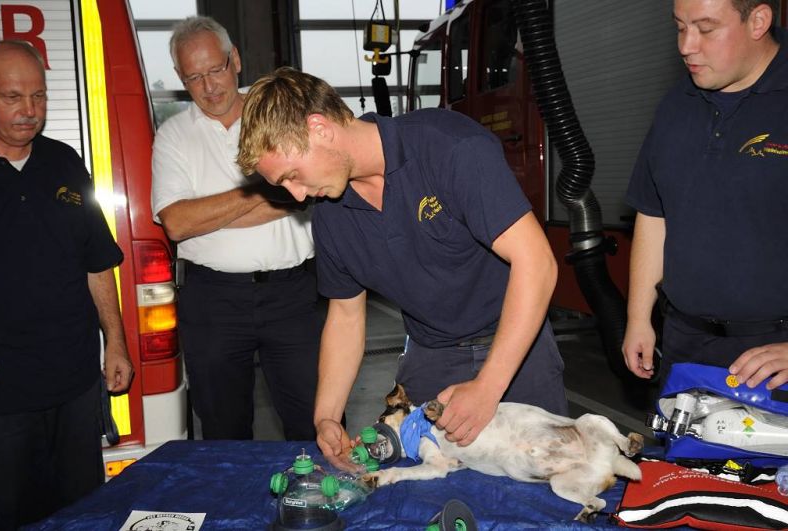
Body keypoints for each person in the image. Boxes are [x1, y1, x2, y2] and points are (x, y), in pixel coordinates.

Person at [237, 67, 568, 470]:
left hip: (516, 344)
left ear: (320, 128)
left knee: (544, 483)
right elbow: (344, 315)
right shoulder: (331, 214)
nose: (296, 195)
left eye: (292, 175)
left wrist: (488, 386)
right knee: (422, 489)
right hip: (431, 353)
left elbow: (537, 262)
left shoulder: (449, 148)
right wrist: (325, 415)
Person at [151, 17, 320, 441]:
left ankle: (319, 506)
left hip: (293, 297)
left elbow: (305, 193)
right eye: (194, 77)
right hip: (213, 303)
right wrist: (262, 192)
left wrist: (211, 211)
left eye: (215, 70)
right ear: (180, 78)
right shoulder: (172, 136)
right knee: (224, 430)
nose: (209, 87)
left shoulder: (279, 117)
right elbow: (176, 222)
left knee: (314, 419)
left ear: (236, 60)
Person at [0, 40, 133, 529]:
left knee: (82, 511)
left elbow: (97, 262)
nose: (30, 111)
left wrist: (115, 342)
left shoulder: (64, 162)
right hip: (0, 394)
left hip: (74, 382)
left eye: (39, 96)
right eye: (12, 97)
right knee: (9, 512)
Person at [622, 0, 788, 390]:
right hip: (685, 346)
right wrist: (638, 318)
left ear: (758, 21)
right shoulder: (675, 105)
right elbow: (654, 214)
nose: (686, 46)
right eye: (680, 27)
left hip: (775, 356)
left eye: (706, 28)